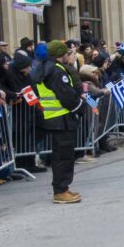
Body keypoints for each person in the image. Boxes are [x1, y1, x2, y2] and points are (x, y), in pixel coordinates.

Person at [33, 40, 86, 204]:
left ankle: (63, 188)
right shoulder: (56, 71)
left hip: (54, 118)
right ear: (60, 54)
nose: (68, 55)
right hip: (61, 118)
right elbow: (66, 96)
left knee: (61, 155)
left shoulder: (46, 67)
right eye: (66, 53)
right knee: (63, 156)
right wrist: (81, 107)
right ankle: (60, 190)